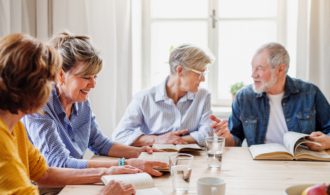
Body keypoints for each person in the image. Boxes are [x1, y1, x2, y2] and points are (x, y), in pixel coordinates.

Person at [0, 33, 139, 194]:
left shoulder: (15, 125)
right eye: (49, 79)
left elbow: (44, 173)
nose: (52, 86)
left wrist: (107, 172)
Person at [23, 32, 167, 176]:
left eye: (95, 76)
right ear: (61, 75)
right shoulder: (39, 105)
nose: (93, 84)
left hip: (75, 181)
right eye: (86, 77)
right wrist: (125, 163)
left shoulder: (82, 103)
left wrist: (140, 152)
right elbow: (59, 162)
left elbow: (99, 143)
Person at [210, 42, 330, 151]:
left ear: (280, 69)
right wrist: (225, 136)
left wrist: (327, 141)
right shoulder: (244, 97)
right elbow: (235, 141)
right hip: (261, 163)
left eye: (259, 68)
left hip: (303, 163)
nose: (253, 74)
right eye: (252, 68)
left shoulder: (310, 92)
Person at [112, 44, 214, 146]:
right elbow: (119, 136)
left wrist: (173, 140)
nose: (203, 79)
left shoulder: (203, 96)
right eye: (200, 73)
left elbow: (208, 134)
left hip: (193, 159)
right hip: (153, 158)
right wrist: (156, 140)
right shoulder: (144, 98)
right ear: (180, 70)